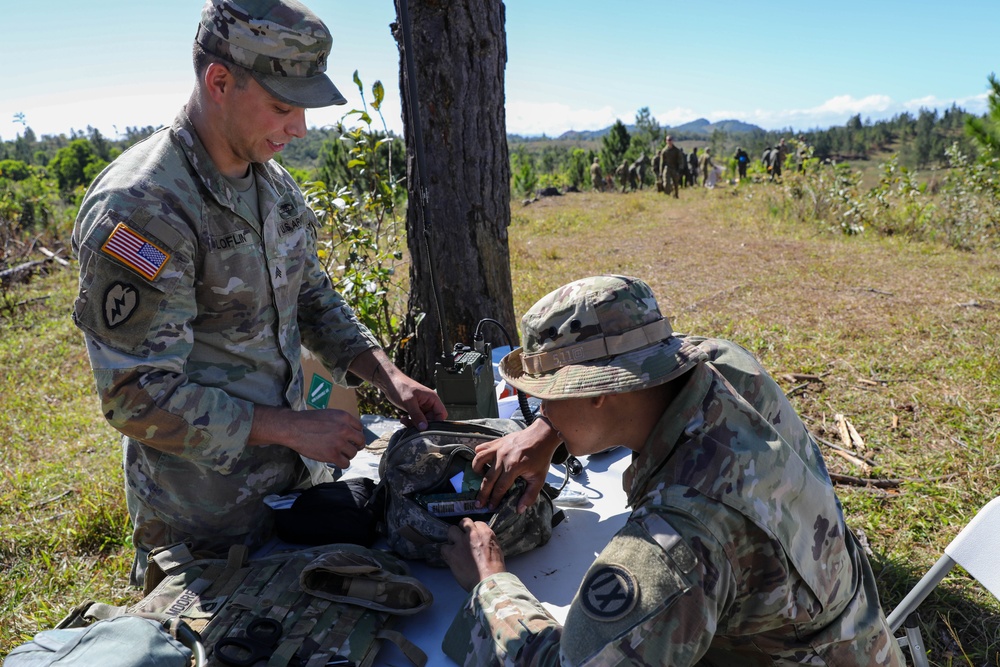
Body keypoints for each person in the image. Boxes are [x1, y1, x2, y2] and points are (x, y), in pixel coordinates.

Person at [70, 0, 447, 585]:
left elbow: (312, 295)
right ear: (218, 80)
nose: (298, 129)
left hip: (293, 490)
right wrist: (291, 427)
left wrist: (384, 374)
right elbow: (135, 396)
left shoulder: (272, 184)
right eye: (280, 106)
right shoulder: (145, 208)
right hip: (202, 527)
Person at [440, 275, 905, 666]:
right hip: (858, 635)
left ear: (597, 393)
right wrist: (552, 428)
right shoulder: (726, 365)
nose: (541, 409)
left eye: (547, 396)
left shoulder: (670, 544)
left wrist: (490, 584)